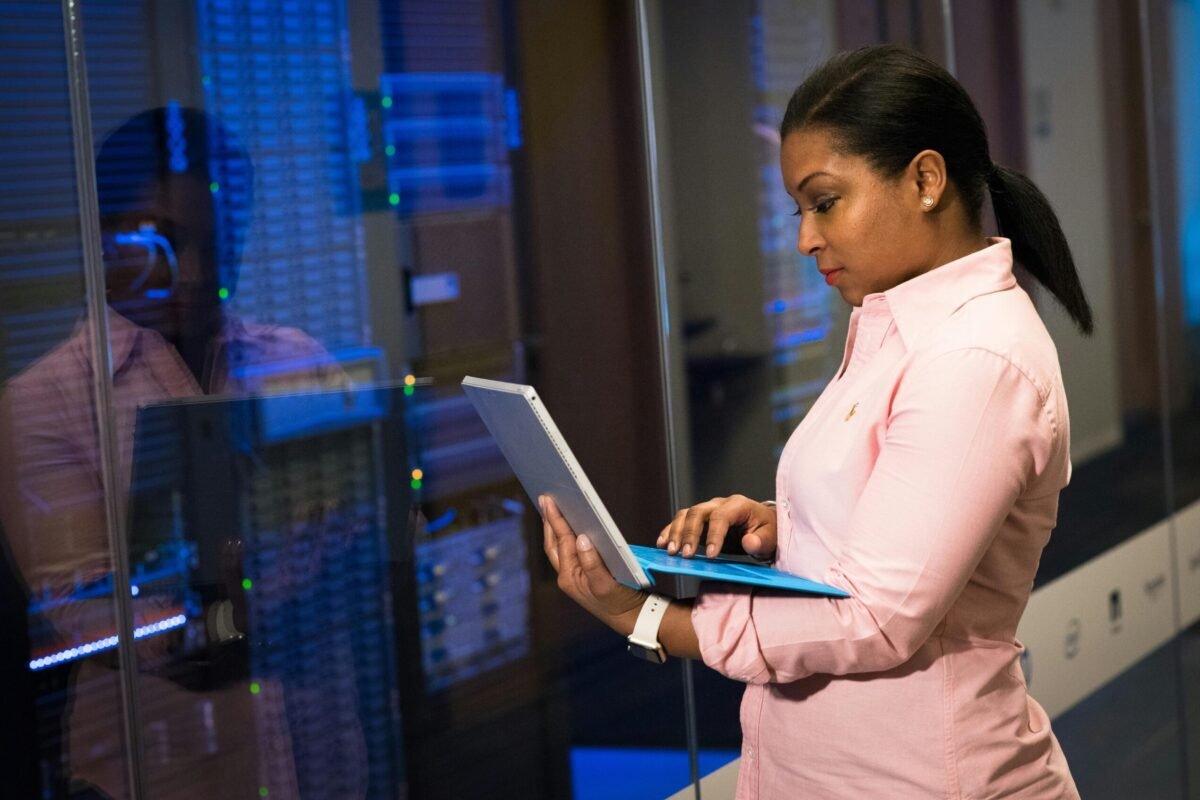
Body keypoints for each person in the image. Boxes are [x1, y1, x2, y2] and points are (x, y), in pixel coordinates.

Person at [540, 44, 1089, 799]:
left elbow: (873, 618)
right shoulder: (895, 329)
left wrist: (646, 617)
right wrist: (782, 523)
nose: (805, 239)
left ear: (926, 180)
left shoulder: (976, 357)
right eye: (798, 211)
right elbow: (894, 523)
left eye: (825, 202)